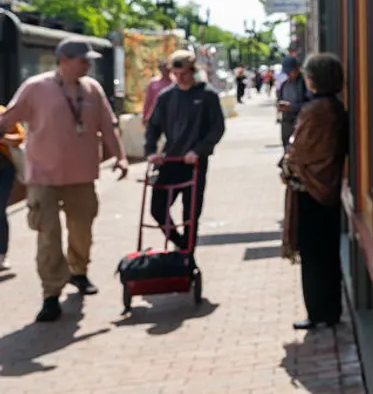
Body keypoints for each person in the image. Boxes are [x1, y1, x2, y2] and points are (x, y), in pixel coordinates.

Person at [0, 38, 130, 322]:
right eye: (83, 60)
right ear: (64, 60)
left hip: (81, 175)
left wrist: (120, 157)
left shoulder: (92, 89)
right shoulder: (36, 88)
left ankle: (79, 272)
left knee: (81, 229)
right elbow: (8, 118)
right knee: (48, 235)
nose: (89, 64)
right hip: (42, 176)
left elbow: (108, 127)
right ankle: (51, 294)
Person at [281, 53, 348, 330]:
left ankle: (318, 311)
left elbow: (299, 153)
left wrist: (287, 166)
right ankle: (329, 310)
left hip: (311, 191)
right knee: (328, 253)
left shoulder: (315, 110)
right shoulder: (335, 107)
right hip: (330, 187)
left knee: (313, 255)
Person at [144, 50, 226, 256]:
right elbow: (153, 126)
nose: (180, 79)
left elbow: (217, 127)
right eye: (175, 74)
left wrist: (199, 150)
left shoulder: (206, 95)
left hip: (194, 162)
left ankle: (188, 256)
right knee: (158, 208)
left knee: (190, 213)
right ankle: (180, 244)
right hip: (170, 159)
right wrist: (152, 151)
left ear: (192, 71)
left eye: (184, 74)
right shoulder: (166, 97)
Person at [0, 104, 26, 272]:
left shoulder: (3, 113)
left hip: (3, 170)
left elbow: (20, 138)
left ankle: (1, 254)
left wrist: (2, 138)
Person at [277, 56, 310, 151]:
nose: (288, 75)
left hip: (302, 123)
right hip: (287, 123)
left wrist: (292, 107)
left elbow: (311, 104)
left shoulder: (305, 83)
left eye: (290, 72)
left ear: (297, 69)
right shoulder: (284, 85)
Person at [143, 59, 173, 126]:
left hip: (172, 115)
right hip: (157, 113)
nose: (166, 70)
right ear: (160, 69)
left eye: (167, 68)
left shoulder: (175, 82)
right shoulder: (153, 82)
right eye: (163, 67)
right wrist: (145, 116)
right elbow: (148, 101)